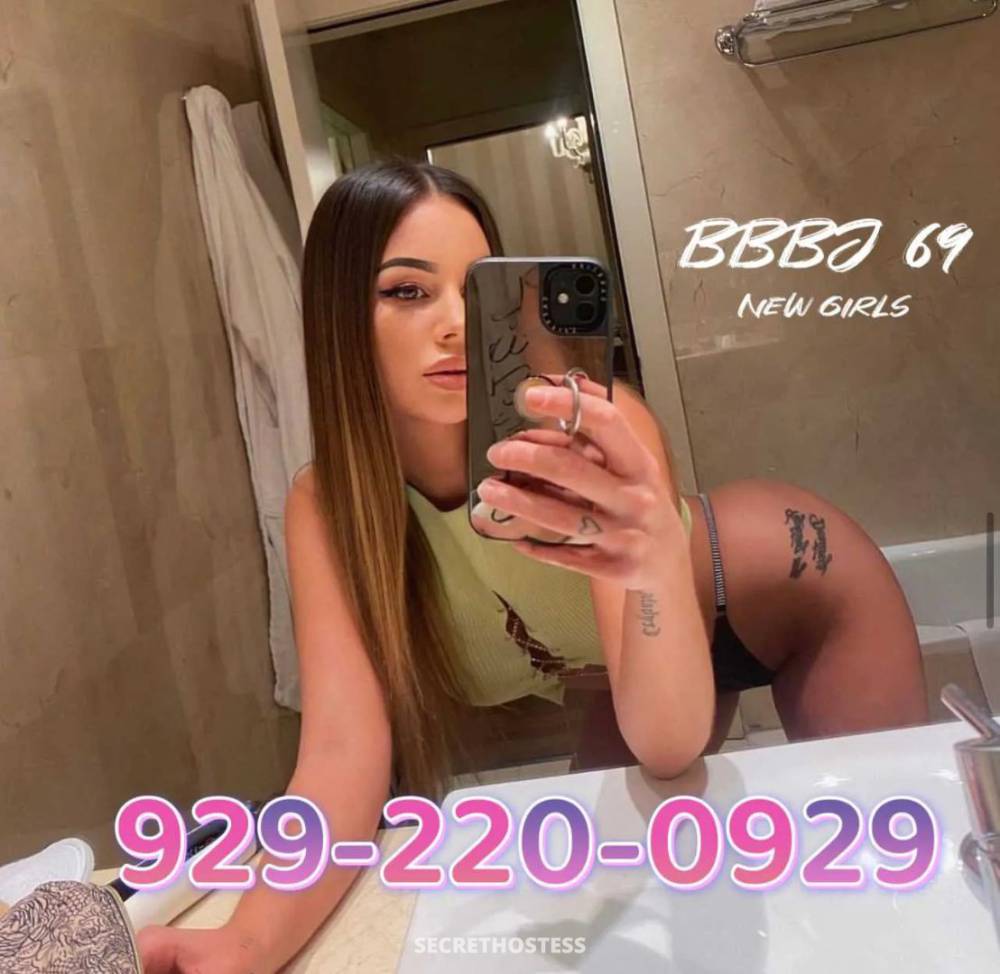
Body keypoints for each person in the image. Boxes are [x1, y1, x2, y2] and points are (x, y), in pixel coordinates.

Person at [139, 159, 928, 972]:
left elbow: (668, 739)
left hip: (796, 595)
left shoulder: (588, 426)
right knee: (600, 908)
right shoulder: (332, 507)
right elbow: (342, 756)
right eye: (407, 291)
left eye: (476, 290)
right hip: (633, 670)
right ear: (339, 316)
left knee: (895, 887)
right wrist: (243, 943)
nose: (454, 324)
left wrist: (653, 560)